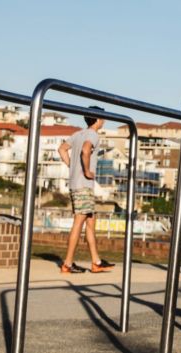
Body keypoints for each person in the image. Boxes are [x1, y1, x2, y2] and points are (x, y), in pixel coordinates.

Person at [57, 106, 114, 274]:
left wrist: (71, 166)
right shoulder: (92, 135)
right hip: (83, 185)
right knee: (78, 223)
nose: (104, 120)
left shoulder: (77, 134)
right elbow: (85, 150)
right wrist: (87, 170)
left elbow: (61, 149)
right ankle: (67, 264)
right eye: (103, 117)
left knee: (90, 222)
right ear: (97, 119)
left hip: (78, 184)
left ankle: (96, 262)